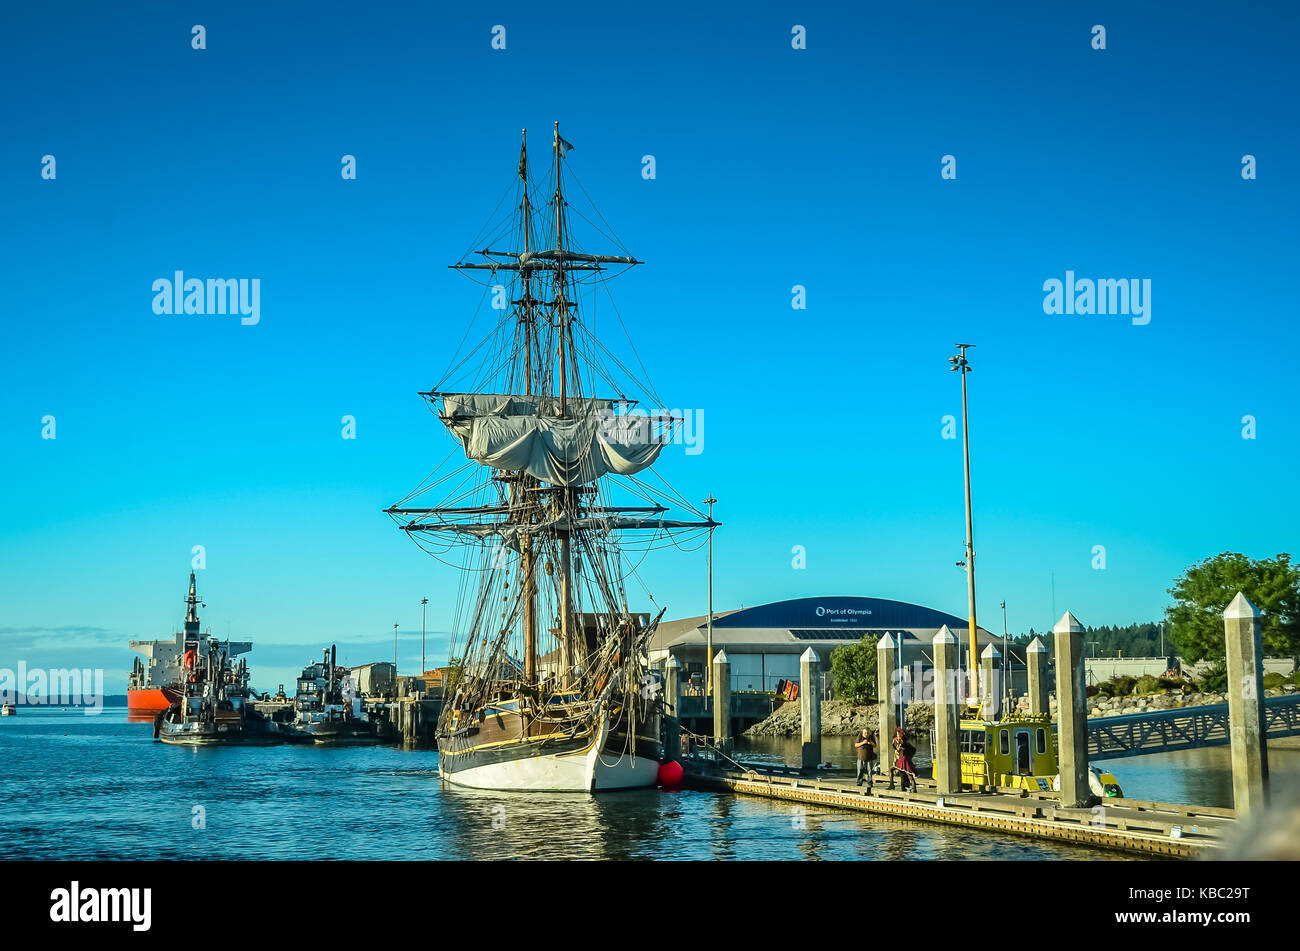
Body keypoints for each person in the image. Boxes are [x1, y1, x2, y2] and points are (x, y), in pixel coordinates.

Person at [890, 726, 918, 792]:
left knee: (907, 774)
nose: (897, 736)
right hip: (905, 759)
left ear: (901, 735)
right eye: (897, 734)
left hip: (903, 760)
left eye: (898, 734)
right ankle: (913, 788)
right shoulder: (905, 742)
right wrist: (910, 756)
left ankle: (894, 785)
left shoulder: (901, 741)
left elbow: (899, 749)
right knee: (908, 774)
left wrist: (899, 746)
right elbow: (914, 749)